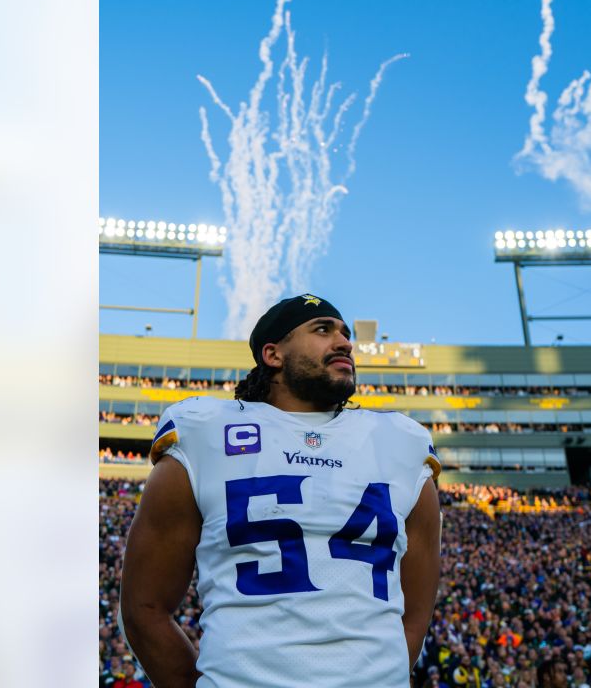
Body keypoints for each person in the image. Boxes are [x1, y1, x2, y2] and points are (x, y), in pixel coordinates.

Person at [120, 294, 442, 688]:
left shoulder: (401, 442)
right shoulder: (204, 431)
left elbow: (416, 615)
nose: (344, 342)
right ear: (273, 354)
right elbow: (144, 607)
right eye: (322, 329)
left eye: (345, 333)